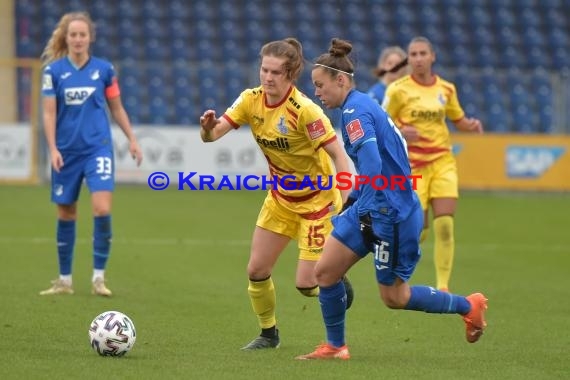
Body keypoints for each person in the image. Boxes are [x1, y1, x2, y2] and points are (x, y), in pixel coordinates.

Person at [296, 38, 488, 360]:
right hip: (373, 206)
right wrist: (354, 200)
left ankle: (469, 306)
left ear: (340, 80)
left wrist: (364, 206)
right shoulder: (358, 106)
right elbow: (375, 166)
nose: (317, 92)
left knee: (394, 297)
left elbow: (371, 165)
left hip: (392, 215)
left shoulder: (356, 112)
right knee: (325, 271)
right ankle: (335, 346)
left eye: (320, 85)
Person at [199, 38, 354, 351]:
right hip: (280, 200)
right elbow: (212, 136)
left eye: (275, 72)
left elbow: (339, 156)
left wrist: (349, 198)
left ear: (290, 74)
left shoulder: (306, 111)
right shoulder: (249, 100)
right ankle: (269, 334)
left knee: (308, 285)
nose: (267, 77)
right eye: (263, 69)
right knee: (256, 270)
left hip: (317, 204)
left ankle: (335, 282)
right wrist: (206, 127)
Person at [39, 12, 143, 297]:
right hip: (66, 152)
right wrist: (53, 149)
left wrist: (132, 139)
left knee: (102, 208)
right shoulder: (53, 73)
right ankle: (64, 280)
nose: (77, 39)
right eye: (72, 34)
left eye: (82, 34)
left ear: (90, 38)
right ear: (66, 38)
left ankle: (99, 278)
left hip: (97, 149)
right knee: (67, 212)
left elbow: (117, 108)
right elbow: (48, 114)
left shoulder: (105, 70)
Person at [382, 36, 484, 292]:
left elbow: (456, 118)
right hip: (413, 166)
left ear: (432, 57)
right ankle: (401, 268)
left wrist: (469, 126)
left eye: (422, 53)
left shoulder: (446, 89)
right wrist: (401, 131)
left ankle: (443, 285)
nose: (417, 59)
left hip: (442, 161)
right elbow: (381, 123)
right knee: (419, 228)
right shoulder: (398, 90)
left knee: (446, 223)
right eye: (413, 54)